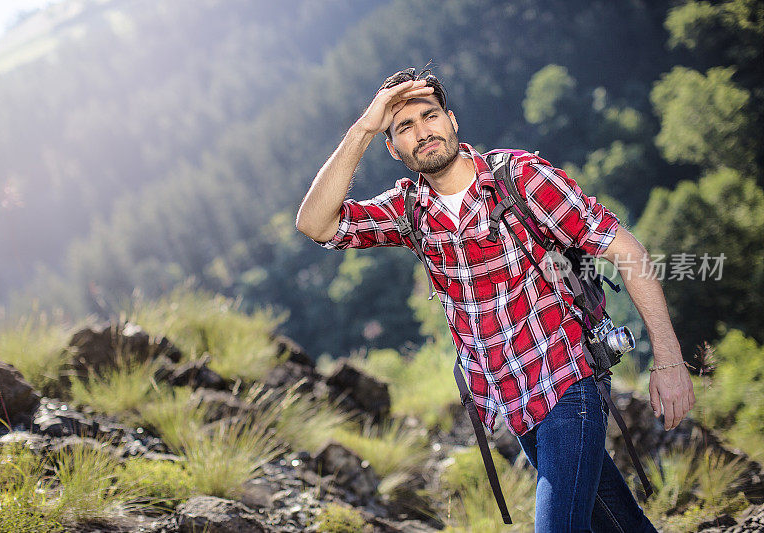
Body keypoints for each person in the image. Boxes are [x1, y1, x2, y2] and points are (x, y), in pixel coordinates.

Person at [295, 67, 695, 531]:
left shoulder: (520, 178)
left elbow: (626, 249)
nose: (423, 132)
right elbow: (316, 224)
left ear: (452, 120)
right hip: (510, 400)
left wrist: (668, 359)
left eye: (430, 116)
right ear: (393, 148)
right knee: (616, 522)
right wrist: (364, 126)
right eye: (404, 127)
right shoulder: (408, 211)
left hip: (569, 378)